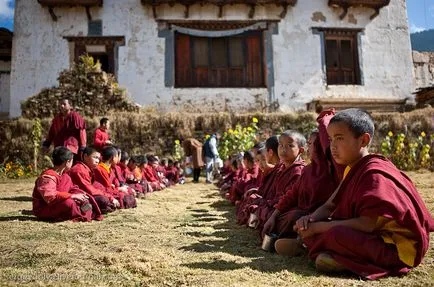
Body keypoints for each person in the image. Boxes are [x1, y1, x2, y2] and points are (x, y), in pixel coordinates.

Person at [293, 108, 434, 279]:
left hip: (394, 248)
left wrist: (318, 227)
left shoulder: (374, 172)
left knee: (334, 234)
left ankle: (332, 255)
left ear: (363, 140)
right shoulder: (352, 169)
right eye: (330, 140)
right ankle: (332, 255)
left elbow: (368, 224)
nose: (333, 147)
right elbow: (330, 204)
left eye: (339, 138)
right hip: (371, 238)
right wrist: (310, 220)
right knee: (328, 228)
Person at [263, 110, 344, 254]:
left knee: (296, 217)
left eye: (311, 143)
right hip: (301, 218)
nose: (308, 147)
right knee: (287, 216)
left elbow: (331, 206)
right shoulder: (308, 170)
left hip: (318, 218)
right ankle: (297, 240)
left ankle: (301, 243)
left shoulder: (332, 172)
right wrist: (274, 216)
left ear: (320, 146)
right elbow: (291, 195)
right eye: (308, 143)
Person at [32, 146, 103, 222]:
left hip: (60, 202)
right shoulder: (48, 177)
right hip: (45, 208)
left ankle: (83, 213)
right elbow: (49, 197)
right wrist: (72, 196)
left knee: (85, 200)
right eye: (72, 161)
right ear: (67, 162)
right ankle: (79, 214)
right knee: (69, 203)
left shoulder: (65, 176)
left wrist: (80, 195)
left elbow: (72, 188)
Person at [256, 130, 306, 234]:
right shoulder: (281, 168)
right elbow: (272, 192)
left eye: (289, 146)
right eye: (281, 145)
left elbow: (290, 199)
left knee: (294, 216)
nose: (283, 149)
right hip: (275, 207)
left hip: (286, 210)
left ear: (301, 150)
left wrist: (273, 208)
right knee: (259, 206)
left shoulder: (299, 170)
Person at [69, 147, 118, 213]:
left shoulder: (89, 169)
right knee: (103, 200)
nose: (97, 161)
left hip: (87, 194)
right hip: (80, 196)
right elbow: (89, 190)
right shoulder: (79, 170)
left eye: (98, 158)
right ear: (86, 156)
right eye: (95, 157)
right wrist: (110, 197)